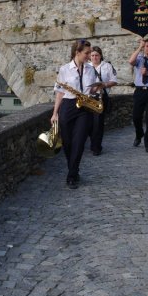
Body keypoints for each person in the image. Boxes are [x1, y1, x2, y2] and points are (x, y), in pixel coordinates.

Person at [52, 39, 101, 189]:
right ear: (77, 52)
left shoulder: (90, 69)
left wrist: (97, 88)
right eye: (86, 53)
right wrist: (55, 113)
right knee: (68, 143)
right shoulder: (64, 69)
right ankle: (74, 169)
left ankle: (72, 176)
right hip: (68, 106)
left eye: (89, 52)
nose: (89, 55)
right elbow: (60, 93)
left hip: (85, 108)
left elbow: (92, 89)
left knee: (79, 142)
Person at [88, 46, 118, 156]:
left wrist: (104, 84)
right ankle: (93, 144)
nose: (94, 57)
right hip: (88, 97)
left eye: (96, 55)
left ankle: (96, 147)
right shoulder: (86, 67)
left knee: (98, 123)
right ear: (89, 57)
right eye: (92, 55)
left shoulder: (107, 66)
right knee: (89, 123)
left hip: (101, 97)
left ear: (100, 56)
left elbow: (114, 81)